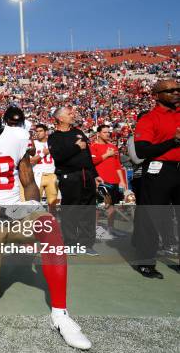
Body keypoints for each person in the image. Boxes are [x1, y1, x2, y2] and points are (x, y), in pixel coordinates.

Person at [0, 96, 91, 350]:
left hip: (17, 214)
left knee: (50, 225)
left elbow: (28, 182)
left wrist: (33, 205)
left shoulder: (16, 137)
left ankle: (60, 314)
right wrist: (3, 210)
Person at [132, 79, 180, 278]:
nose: (176, 92)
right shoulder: (149, 119)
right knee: (150, 216)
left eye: (178, 89)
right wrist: (174, 141)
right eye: (169, 90)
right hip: (160, 171)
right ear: (156, 96)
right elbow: (142, 151)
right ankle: (146, 262)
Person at [48, 106, 103, 256]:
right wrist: (75, 147)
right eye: (69, 113)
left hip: (87, 176)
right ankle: (70, 243)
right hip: (69, 176)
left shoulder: (78, 132)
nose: (73, 115)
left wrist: (95, 173)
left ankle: (87, 244)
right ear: (60, 118)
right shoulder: (54, 137)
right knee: (70, 210)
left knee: (88, 210)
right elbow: (59, 157)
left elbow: (87, 155)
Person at [89, 125, 129, 236]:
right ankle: (95, 229)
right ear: (99, 133)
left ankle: (111, 229)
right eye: (105, 132)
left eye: (108, 132)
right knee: (98, 205)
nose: (107, 134)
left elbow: (118, 166)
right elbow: (93, 162)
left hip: (115, 180)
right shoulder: (93, 146)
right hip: (101, 180)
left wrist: (122, 181)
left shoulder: (114, 147)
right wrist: (107, 154)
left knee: (112, 205)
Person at [30, 124, 58, 207]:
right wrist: (43, 154)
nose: (38, 133)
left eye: (40, 131)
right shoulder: (33, 144)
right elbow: (31, 161)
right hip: (37, 175)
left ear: (46, 132)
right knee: (35, 203)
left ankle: (53, 219)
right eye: (37, 131)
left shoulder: (53, 143)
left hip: (51, 174)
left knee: (52, 203)